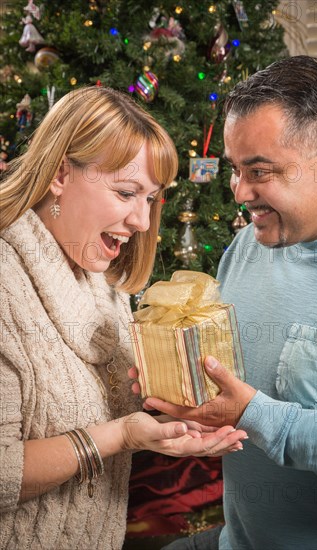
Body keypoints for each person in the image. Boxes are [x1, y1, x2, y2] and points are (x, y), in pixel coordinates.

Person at [0, 86, 246, 549]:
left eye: (151, 199)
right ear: (59, 174)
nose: (141, 221)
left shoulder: (103, 279)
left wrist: (181, 415)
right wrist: (121, 436)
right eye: (126, 192)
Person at [140, 56, 317, 549]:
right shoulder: (246, 247)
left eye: (259, 171)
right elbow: (228, 393)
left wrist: (254, 416)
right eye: (235, 171)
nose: (240, 192)